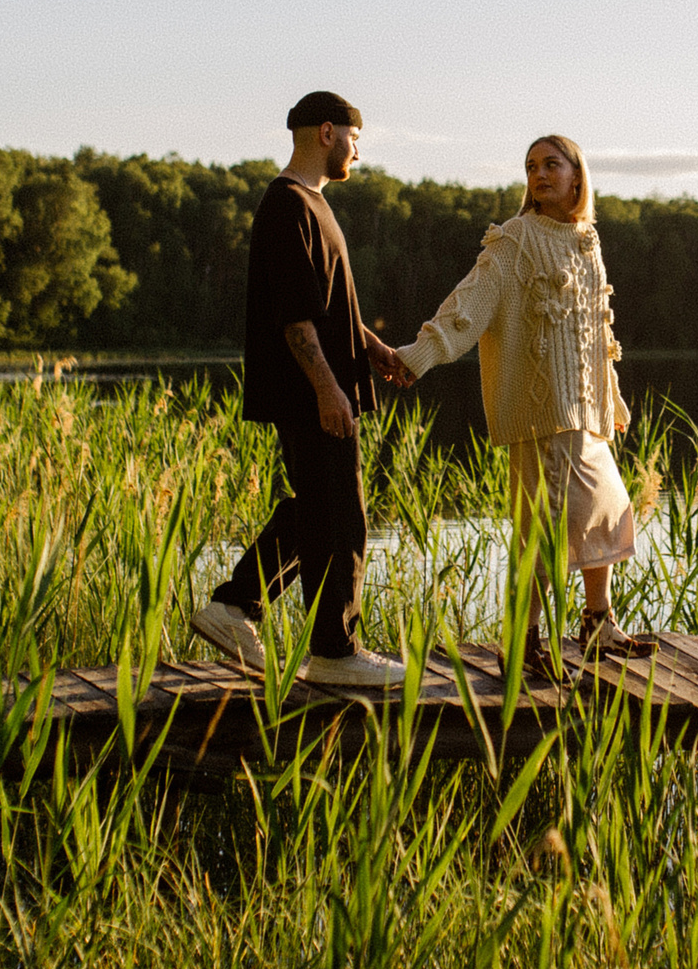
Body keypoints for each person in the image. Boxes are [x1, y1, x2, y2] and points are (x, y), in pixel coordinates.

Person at [395, 134, 655, 669]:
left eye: (551, 165)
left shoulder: (587, 240)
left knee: (607, 513)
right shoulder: (516, 238)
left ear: (577, 176)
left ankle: (598, 624)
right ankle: (524, 642)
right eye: (532, 166)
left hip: (585, 413)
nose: (539, 174)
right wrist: (419, 354)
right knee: (543, 530)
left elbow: (595, 331)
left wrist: (614, 400)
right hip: (542, 415)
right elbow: (470, 303)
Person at [191, 92, 416, 687]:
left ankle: (235, 607)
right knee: (343, 516)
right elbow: (295, 319)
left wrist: (374, 350)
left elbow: (330, 305)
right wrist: (327, 388)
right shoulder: (287, 206)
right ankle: (334, 653)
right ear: (326, 132)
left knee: (319, 508)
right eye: (355, 137)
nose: (358, 151)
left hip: (323, 387)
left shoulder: (311, 205)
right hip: (309, 392)